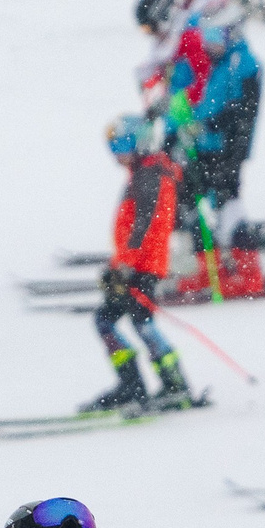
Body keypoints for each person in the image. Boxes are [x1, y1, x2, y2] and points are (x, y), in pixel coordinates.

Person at [90, 116, 197, 414]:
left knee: (133, 322)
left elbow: (146, 225)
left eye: (121, 146)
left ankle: (168, 385)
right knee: (123, 321)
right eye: (113, 148)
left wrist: (124, 267)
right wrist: (118, 265)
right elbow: (133, 229)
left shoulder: (152, 174)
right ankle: (140, 384)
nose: (117, 155)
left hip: (142, 267)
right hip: (137, 264)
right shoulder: (144, 172)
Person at [164, 3, 265, 293]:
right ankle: (209, 267)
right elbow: (210, 103)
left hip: (228, 149)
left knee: (227, 206)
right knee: (190, 199)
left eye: (214, 37)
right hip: (209, 145)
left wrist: (210, 125)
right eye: (205, 38)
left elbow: (240, 112)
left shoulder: (243, 65)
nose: (208, 46)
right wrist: (189, 125)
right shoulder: (222, 64)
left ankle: (248, 273)